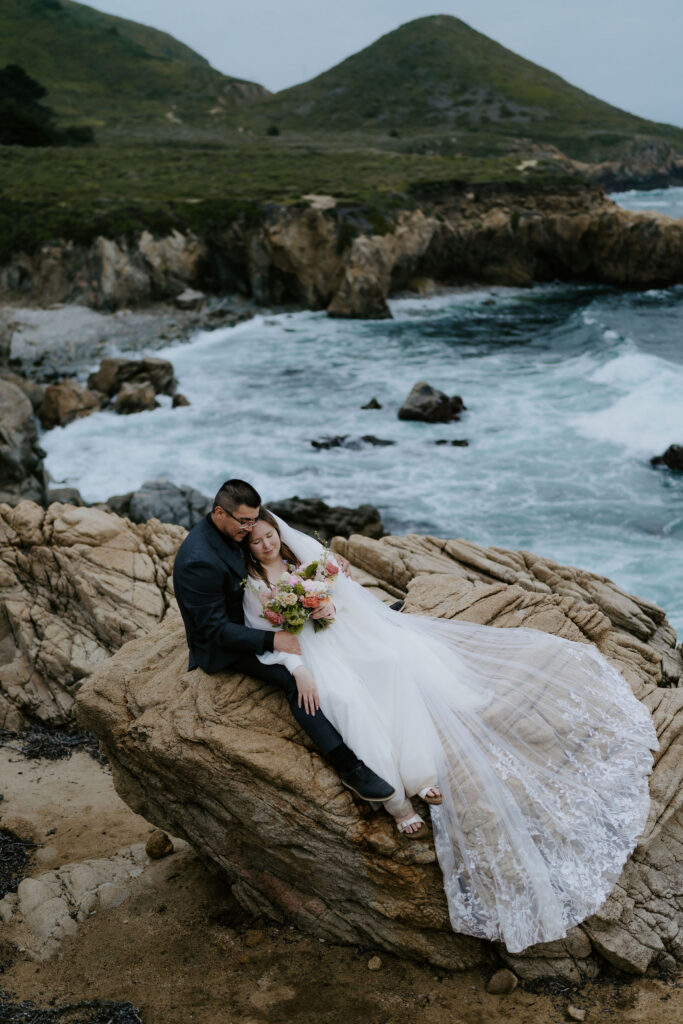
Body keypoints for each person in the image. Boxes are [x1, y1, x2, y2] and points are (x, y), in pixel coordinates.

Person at [242, 506, 659, 954]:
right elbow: (266, 635)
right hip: (313, 652)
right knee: (345, 700)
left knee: (392, 664)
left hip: (345, 634)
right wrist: (299, 666)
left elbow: (346, 595)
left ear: (278, 534)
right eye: (256, 540)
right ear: (247, 545)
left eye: (269, 536)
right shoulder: (253, 587)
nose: (265, 544)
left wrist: (326, 600)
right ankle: (397, 802)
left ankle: (422, 773)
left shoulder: (304, 561)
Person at [172, 479, 395, 803]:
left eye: (254, 520)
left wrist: (328, 558)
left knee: (328, 626)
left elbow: (282, 543)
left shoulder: (233, 525)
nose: (250, 529)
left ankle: (377, 618)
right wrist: (272, 640)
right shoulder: (198, 561)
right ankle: (351, 769)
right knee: (296, 680)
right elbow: (213, 631)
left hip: (257, 615)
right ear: (219, 513)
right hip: (227, 645)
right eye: (245, 522)